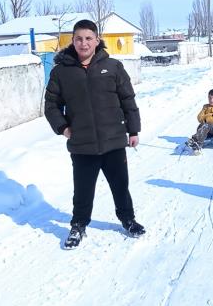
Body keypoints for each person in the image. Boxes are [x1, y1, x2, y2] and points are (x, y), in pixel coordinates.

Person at [45, 19, 146, 249]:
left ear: (97, 40)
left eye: (88, 38)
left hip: (113, 140)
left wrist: (133, 129)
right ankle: (78, 225)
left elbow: (127, 99)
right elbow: (51, 105)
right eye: (79, 38)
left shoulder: (112, 66)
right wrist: (63, 127)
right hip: (82, 143)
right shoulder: (61, 72)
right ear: (72, 41)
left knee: (120, 185)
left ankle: (128, 219)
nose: (84, 43)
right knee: (82, 190)